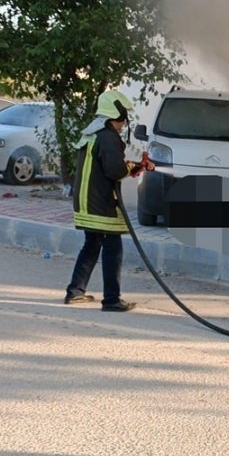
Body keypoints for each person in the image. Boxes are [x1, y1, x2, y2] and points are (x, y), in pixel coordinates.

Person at [64, 89, 152, 312]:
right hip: (100, 202)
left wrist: (135, 166)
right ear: (117, 114)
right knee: (113, 246)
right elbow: (114, 170)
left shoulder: (93, 133)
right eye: (123, 119)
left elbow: (106, 165)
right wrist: (133, 167)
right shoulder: (108, 136)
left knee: (92, 244)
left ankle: (75, 292)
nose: (124, 124)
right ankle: (112, 299)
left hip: (85, 200)